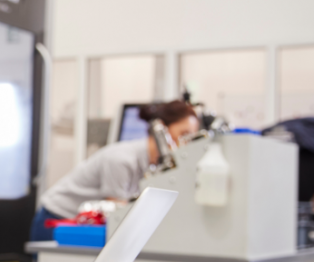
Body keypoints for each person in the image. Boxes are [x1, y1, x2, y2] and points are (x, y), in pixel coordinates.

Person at [30, 100, 200, 242]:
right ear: (161, 130)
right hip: (56, 218)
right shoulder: (121, 160)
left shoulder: (156, 163)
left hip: (83, 225)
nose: (185, 143)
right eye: (182, 134)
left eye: (190, 138)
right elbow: (118, 212)